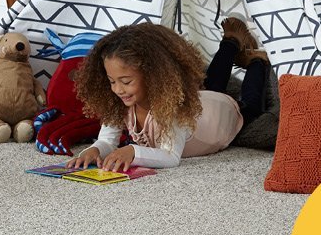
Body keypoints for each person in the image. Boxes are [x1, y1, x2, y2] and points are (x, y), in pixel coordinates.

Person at [67, 18, 268, 171]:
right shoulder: (119, 102)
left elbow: (171, 156)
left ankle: (257, 61)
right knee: (211, 83)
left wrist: (132, 151)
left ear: (153, 76)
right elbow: (107, 140)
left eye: (126, 82)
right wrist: (93, 150)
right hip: (201, 103)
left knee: (248, 106)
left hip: (219, 117)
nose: (118, 89)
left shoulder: (171, 107)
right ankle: (231, 42)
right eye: (112, 81)